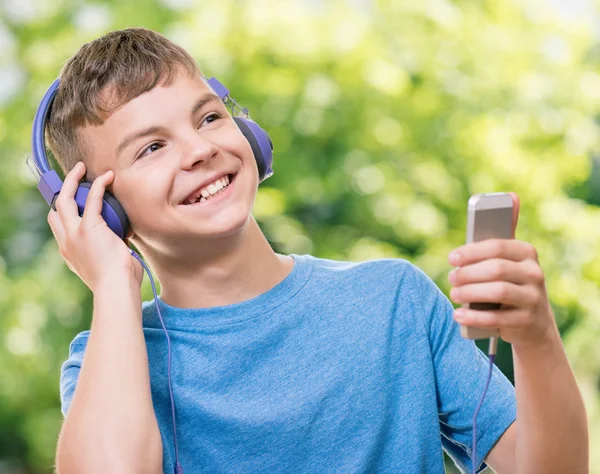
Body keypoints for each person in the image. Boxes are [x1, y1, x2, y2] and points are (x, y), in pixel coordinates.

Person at [44, 28, 588, 474]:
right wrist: (113, 282)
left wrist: (536, 337)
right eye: (153, 147)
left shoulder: (393, 300)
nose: (200, 149)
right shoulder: (106, 359)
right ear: (101, 208)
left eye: (209, 117)